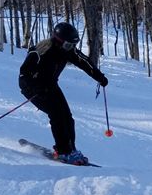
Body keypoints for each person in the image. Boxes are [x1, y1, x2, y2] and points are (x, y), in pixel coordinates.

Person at [19, 21, 108, 165]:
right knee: (57, 115)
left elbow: (84, 62)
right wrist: (35, 88)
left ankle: (71, 150)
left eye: (73, 45)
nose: (71, 48)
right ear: (58, 41)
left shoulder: (67, 50)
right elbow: (24, 74)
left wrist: (99, 77)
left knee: (68, 117)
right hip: (33, 88)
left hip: (50, 86)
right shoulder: (41, 51)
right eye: (68, 45)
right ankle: (63, 151)